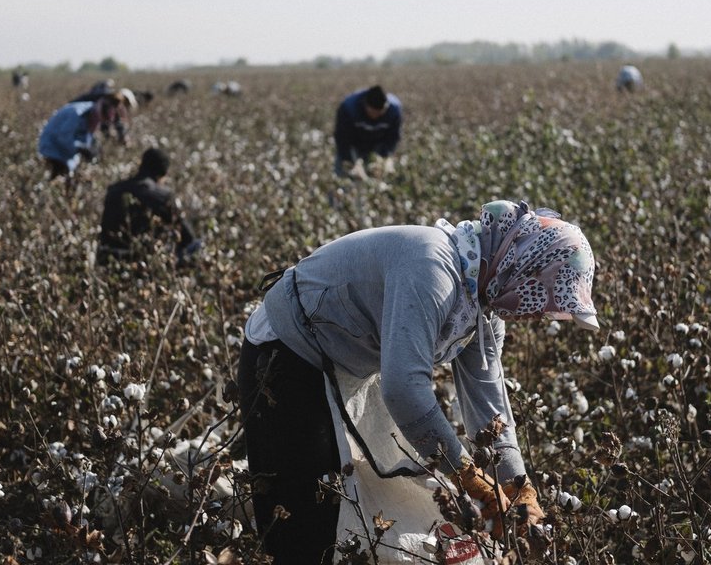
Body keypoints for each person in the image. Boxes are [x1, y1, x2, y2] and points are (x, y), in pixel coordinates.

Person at [237, 200, 598, 564]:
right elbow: (404, 390)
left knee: (339, 498)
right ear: (523, 266)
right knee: (302, 517)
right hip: (284, 355)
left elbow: (489, 402)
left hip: (341, 366)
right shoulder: (432, 267)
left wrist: (519, 488)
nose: (537, 314)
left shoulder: (482, 305)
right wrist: (468, 477)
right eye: (541, 296)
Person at [96, 147, 200, 267]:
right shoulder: (163, 196)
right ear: (163, 174)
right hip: (140, 264)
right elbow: (188, 239)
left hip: (107, 260)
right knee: (196, 246)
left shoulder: (113, 190)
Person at [37, 94, 121, 180]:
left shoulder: (93, 118)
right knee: (59, 177)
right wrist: (80, 148)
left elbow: (85, 139)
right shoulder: (77, 113)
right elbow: (63, 138)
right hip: (52, 149)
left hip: (65, 153)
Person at [333, 85, 402, 180]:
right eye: (373, 112)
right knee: (345, 176)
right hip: (353, 145)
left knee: (382, 176)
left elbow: (393, 137)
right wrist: (352, 163)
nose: (376, 116)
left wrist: (385, 157)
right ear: (365, 105)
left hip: (377, 144)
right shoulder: (348, 108)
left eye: (379, 113)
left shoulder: (394, 109)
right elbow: (342, 138)